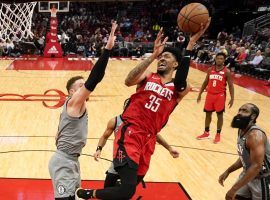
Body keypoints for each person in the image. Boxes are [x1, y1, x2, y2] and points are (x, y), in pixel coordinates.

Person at [76, 19, 211, 200]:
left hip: (148, 141)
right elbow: (128, 80)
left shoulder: (179, 90)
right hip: (130, 134)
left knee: (118, 187)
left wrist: (191, 45)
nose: (162, 59)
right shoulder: (148, 76)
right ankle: (87, 194)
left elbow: (181, 82)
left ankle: (100, 192)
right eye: (161, 57)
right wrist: (153, 55)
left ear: (176, 65)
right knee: (127, 190)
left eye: (167, 57)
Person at [48, 22, 117, 200]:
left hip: (71, 161)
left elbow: (58, 134)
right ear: (72, 92)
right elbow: (95, 78)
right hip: (64, 162)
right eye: (80, 85)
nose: (85, 87)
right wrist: (107, 49)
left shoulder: (74, 107)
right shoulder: (73, 102)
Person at [93, 99, 180, 188]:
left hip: (136, 158)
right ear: (124, 107)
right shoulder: (115, 121)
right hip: (120, 157)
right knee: (108, 187)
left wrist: (169, 148)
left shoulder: (142, 122)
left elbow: (155, 135)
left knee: (126, 190)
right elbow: (104, 136)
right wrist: (98, 149)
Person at [218, 103, 270, 200]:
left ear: (253, 116)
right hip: (249, 175)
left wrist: (234, 189)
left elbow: (256, 166)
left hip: (263, 179)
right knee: (232, 197)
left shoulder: (255, 136)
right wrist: (228, 170)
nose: (239, 113)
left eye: (244, 111)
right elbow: (244, 156)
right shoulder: (242, 130)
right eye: (240, 110)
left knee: (232, 194)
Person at [196, 52, 234, 144]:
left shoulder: (227, 71)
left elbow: (231, 85)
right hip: (210, 95)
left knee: (219, 115)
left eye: (221, 58)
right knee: (208, 114)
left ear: (224, 60)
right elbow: (205, 82)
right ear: (215, 59)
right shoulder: (210, 69)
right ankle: (206, 132)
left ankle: (218, 134)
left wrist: (232, 98)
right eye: (218, 58)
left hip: (220, 96)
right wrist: (200, 93)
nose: (219, 60)